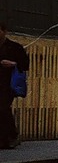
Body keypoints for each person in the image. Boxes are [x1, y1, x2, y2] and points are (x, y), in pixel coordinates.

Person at [0, 21, 30, 149]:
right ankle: (6, 137)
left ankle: (12, 135)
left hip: (7, 84)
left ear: (4, 31)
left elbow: (25, 65)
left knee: (3, 107)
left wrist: (13, 64)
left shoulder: (15, 47)